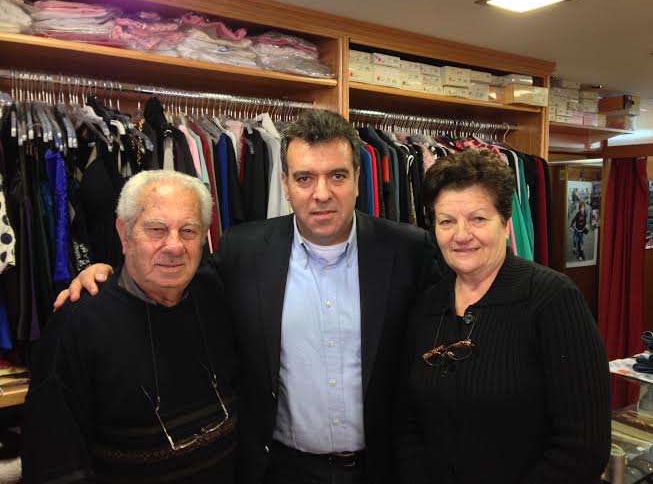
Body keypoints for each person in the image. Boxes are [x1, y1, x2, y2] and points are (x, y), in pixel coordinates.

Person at [53, 109, 441, 484]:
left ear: (358, 178)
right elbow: (169, 275)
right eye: (304, 178)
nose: (321, 193)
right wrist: (108, 275)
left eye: (337, 176)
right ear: (285, 184)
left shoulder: (410, 251)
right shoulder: (243, 251)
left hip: (382, 468)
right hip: (281, 469)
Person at [394, 149, 611, 484]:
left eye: (478, 219)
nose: (461, 235)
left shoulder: (552, 300)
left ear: (506, 224)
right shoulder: (426, 305)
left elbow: (583, 447)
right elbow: (408, 424)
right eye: (447, 221)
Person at [24, 171, 237, 483]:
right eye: (156, 229)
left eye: (188, 230)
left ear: (204, 236)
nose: (174, 245)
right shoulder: (79, 322)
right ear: (124, 234)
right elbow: (53, 460)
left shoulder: (217, 292)